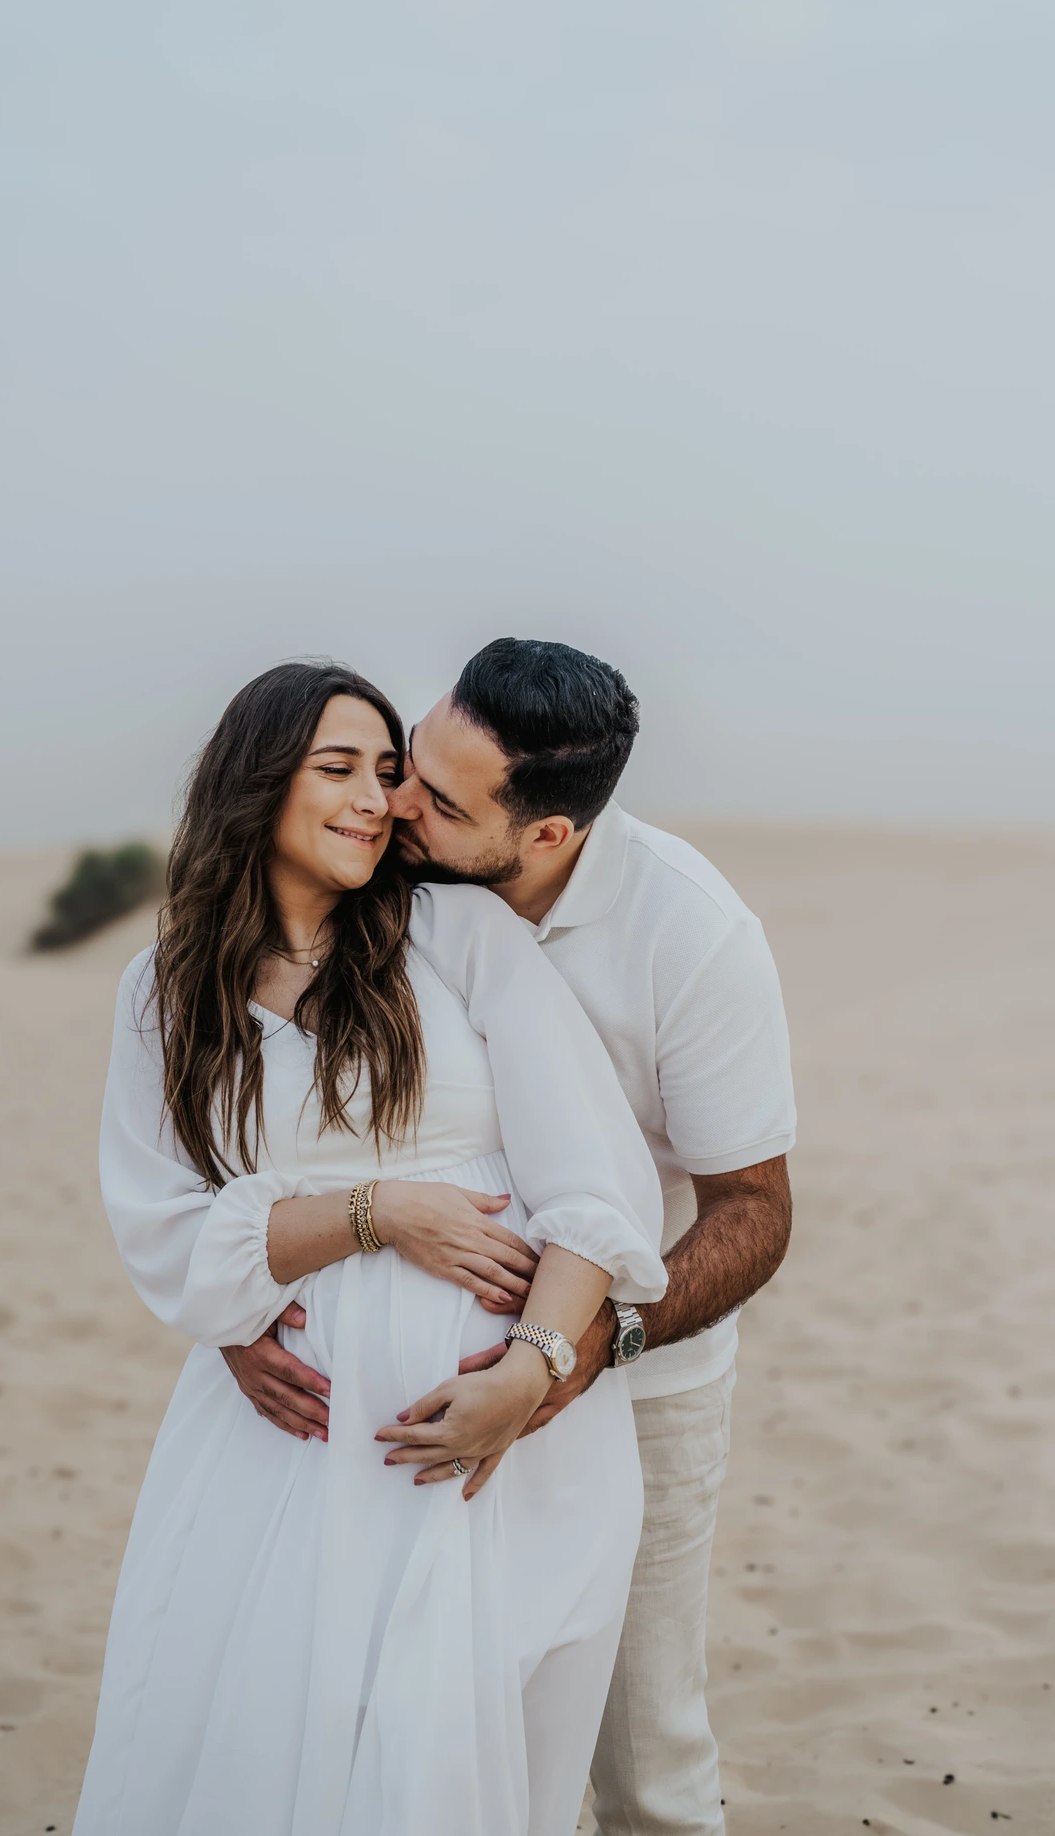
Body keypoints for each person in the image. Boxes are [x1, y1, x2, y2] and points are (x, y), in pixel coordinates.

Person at [72, 660, 669, 1836]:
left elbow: (593, 1187)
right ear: (256, 780)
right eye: (336, 768)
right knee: (268, 1747)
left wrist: (530, 1369)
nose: (373, 800)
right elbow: (165, 1230)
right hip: (287, 1451)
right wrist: (374, 1213)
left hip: (492, 1449)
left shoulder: (451, 930)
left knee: (442, 1760)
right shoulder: (167, 990)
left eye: (387, 771)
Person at [226, 639, 796, 1836]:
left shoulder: (690, 934)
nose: (396, 807)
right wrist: (232, 1314)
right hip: (390, 1412)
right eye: (408, 764)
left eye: (440, 801)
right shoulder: (387, 875)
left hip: (636, 1376)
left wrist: (581, 1349)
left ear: (544, 835)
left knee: (641, 1752)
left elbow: (752, 1207)